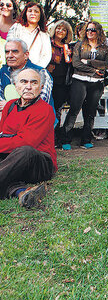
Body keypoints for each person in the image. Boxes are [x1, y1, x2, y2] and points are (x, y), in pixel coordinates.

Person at [0, 68, 56, 208]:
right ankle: (21, 192)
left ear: (41, 87)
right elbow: (2, 133)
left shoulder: (45, 110)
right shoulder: (10, 105)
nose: (28, 86)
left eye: (34, 82)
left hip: (39, 162)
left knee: (25, 150)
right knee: (10, 172)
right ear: (15, 85)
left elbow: (26, 141)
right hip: (12, 159)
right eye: (23, 82)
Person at [60, 21, 108, 150]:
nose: (90, 32)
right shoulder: (79, 45)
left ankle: (86, 139)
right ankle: (65, 139)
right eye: (88, 30)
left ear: (98, 31)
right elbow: (76, 64)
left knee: (90, 111)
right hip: (79, 80)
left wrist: (88, 61)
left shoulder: (104, 47)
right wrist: (94, 70)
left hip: (97, 83)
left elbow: (106, 64)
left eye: (93, 30)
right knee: (74, 110)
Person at [0, 39, 53, 113]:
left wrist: (10, 105)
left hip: (38, 120)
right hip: (10, 119)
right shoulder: (3, 71)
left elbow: (40, 102)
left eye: (15, 52)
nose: (10, 56)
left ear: (26, 55)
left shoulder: (40, 72)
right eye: (7, 52)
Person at [46, 20, 73, 143]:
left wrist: (71, 56)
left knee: (57, 109)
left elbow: (70, 64)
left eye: (64, 30)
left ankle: (55, 136)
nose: (60, 31)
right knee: (46, 108)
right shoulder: (47, 43)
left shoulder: (68, 47)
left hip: (62, 82)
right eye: (59, 28)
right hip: (47, 80)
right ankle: (45, 135)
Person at [7, 2, 51, 68]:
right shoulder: (16, 27)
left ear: (40, 15)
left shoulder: (44, 35)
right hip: (15, 68)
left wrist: (35, 69)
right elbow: (9, 46)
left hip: (34, 71)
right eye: (30, 11)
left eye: (36, 11)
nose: (33, 13)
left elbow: (46, 56)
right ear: (26, 13)